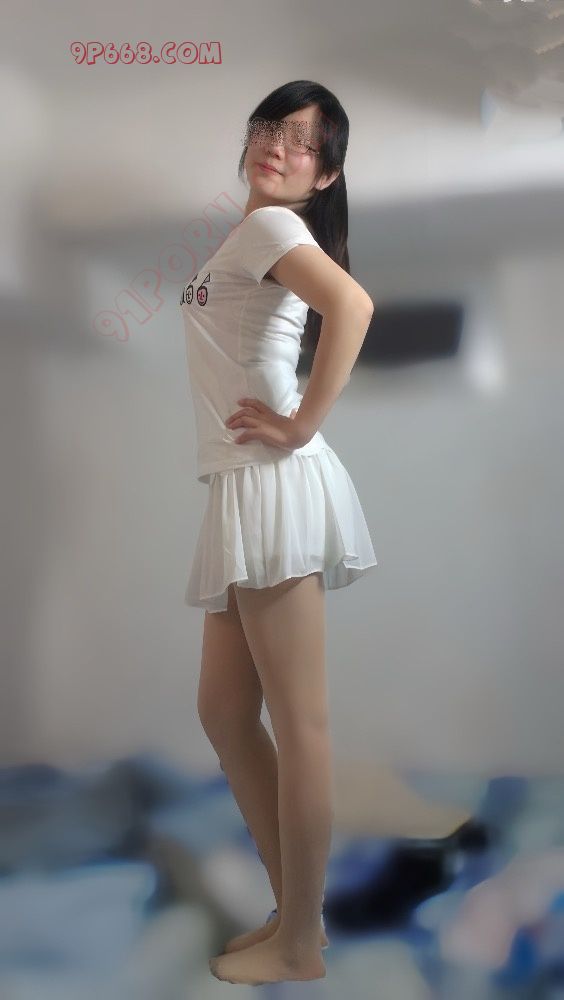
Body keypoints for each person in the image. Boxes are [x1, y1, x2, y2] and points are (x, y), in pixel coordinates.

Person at [180, 80, 378, 985]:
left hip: (271, 483)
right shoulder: (249, 235)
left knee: (299, 722)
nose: (278, 145)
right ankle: (292, 911)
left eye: (302, 141)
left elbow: (354, 307)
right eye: (271, 127)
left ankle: (300, 940)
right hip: (242, 486)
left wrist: (300, 426)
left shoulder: (270, 228)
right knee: (225, 711)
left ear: (324, 173)